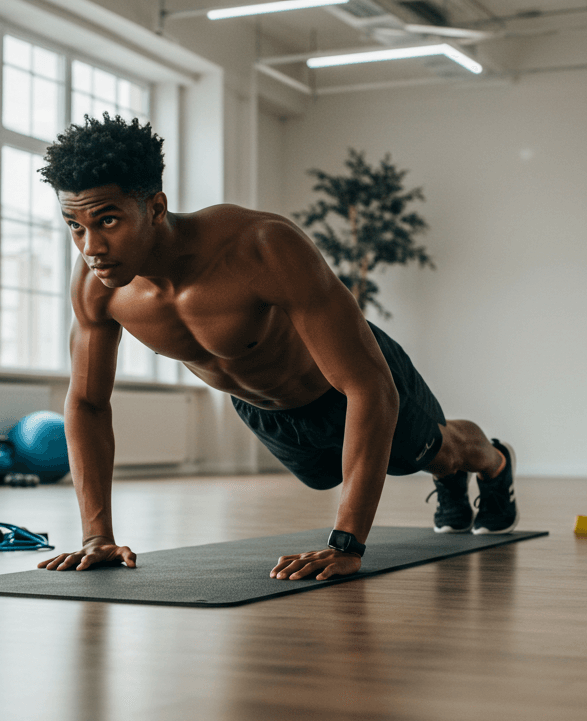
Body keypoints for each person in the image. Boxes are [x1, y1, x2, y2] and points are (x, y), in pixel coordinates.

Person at [34, 115, 517, 582]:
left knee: (437, 452)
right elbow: (88, 402)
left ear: (156, 208)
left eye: (108, 220)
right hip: (267, 412)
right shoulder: (98, 286)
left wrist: (345, 544)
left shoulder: (261, 247)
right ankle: (445, 467)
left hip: (349, 382)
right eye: (75, 226)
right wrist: (97, 537)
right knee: (322, 476)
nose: (90, 246)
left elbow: (368, 385)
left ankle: (491, 462)